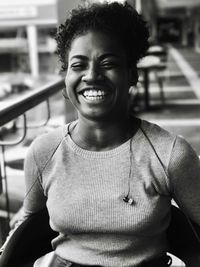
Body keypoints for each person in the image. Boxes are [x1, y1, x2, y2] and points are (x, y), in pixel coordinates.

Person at [1, 1, 200, 267]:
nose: (91, 75)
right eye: (78, 65)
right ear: (66, 76)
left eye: (108, 63)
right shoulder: (44, 152)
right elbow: (26, 226)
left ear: (132, 75)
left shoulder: (170, 154)